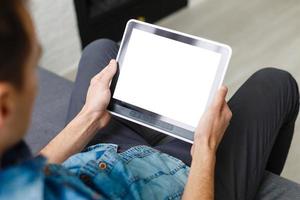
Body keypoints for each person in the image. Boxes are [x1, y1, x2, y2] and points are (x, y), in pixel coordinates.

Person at [0, 0, 299, 199]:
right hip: (181, 182)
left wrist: (90, 117)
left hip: (103, 155)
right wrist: (206, 148)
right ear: (5, 105)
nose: (35, 81)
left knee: (100, 49)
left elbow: (25, 179)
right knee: (276, 82)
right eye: (32, 67)